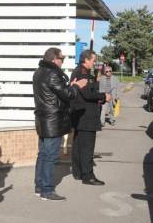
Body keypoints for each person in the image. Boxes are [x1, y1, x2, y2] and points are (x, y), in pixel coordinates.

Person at [32, 48, 86, 200]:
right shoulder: (52, 74)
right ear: (54, 59)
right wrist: (76, 86)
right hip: (52, 121)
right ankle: (47, 190)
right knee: (49, 156)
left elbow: (57, 93)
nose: (62, 61)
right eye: (61, 58)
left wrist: (70, 86)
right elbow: (67, 95)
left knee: (43, 154)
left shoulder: (39, 72)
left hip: (43, 120)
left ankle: (39, 186)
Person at [71, 50, 110, 185]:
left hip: (80, 115)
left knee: (78, 146)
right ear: (86, 60)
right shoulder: (82, 73)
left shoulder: (80, 71)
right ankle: (88, 175)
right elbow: (88, 94)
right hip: (86, 117)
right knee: (87, 147)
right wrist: (104, 96)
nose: (94, 63)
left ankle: (78, 172)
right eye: (93, 60)